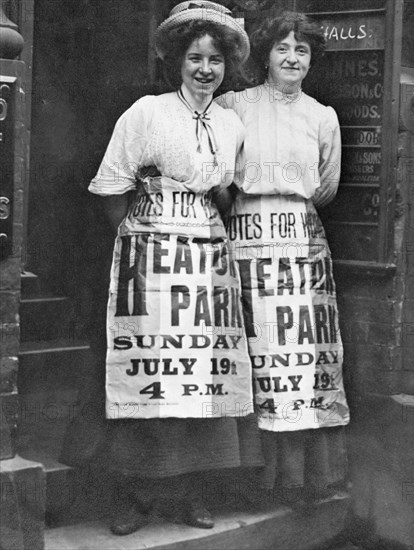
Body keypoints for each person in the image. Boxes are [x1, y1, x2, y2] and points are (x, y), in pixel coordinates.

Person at [62, 1, 264, 535]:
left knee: (200, 371)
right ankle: (137, 494)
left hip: (206, 262)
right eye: (196, 58)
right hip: (151, 257)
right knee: (151, 369)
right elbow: (111, 188)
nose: (205, 70)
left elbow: (224, 191)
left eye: (216, 61)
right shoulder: (146, 113)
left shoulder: (229, 124)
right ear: (178, 60)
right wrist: (140, 243)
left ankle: (193, 492)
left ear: (227, 67)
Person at [217, 11, 350, 505]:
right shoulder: (235, 105)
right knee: (252, 352)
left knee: (297, 356)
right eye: (282, 49)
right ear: (265, 56)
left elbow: (328, 186)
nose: (291, 58)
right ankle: (250, 479)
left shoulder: (322, 115)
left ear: (311, 60)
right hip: (246, 236)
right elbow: (222, 174)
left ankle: (296, 479)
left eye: (302, 51)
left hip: (300, 242)